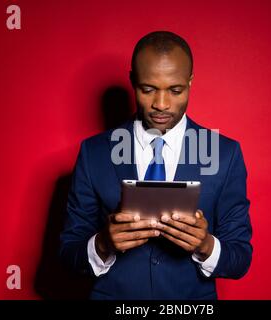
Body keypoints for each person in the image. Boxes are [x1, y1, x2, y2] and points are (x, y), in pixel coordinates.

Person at [60, 31, 252, 300]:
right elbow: (68, 253)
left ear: (190, 82)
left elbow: (240, 258)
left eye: (175, 90)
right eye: (148, 89)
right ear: (132, 81)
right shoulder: (94, 153)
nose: (160, 105)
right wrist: (104, 243)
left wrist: (205, 244)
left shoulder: (224, 154)